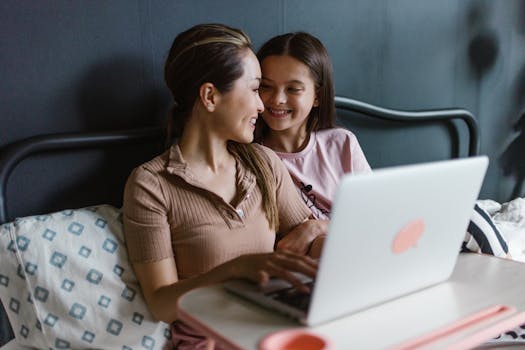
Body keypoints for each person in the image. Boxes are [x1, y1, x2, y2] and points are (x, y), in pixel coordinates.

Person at [122, 24, 322, 349]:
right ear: (210, 96)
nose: (262, 106)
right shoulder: (151, 185)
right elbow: (160, 304)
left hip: (275, 326)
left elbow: (306, 233)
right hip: (213, 339)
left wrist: (332, 249)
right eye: (256, 89)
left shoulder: (264, 163)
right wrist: (237, 269)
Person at [254, 31, 509, 258]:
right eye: (266, 87)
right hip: (332, 251)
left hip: (369, 232)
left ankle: (511, 277)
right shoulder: (253, 156)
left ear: (318, 97)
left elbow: (373, 211)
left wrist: (320, 225)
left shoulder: (340, 142)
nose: (277, 99)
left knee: (466, 211)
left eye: (293, 89)